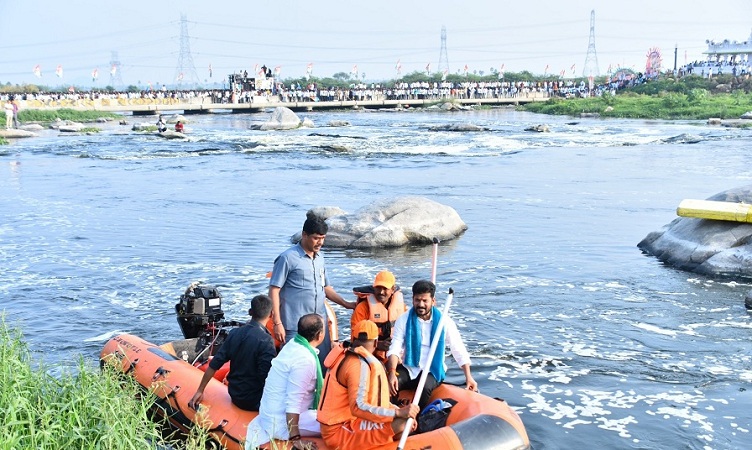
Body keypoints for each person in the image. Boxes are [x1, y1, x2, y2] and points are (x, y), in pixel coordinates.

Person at [317, 320, 419, 450]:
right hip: (339, 431)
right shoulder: (358, 364)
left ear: (353, 338)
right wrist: (398, 412)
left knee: (406, 421)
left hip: (345, 422)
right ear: (376, 343)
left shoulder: (344, 355)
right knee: (404, 424)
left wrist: (396, 410)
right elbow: (358, 407)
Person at [269, 216, 355, 366]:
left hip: (318, 326)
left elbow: (326, 288)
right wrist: (277, 323)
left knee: (322, 366)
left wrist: (346, 304)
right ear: (304, 235)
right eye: (316, 238)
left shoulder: (320, 258)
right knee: (293, 367)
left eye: (322, 238)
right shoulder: (287, 258)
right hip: (294, 327)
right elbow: (274, 290)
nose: (320, 242)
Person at [386, 280, 477, 410]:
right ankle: (392, 414)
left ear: (433, 301)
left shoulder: (445, 322)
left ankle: (416, 421)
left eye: (425, 301)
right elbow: (395, 348)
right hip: (409, 367)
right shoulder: (404, 319)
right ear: (412, 299)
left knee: (424, 387)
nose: (420, 304)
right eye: (417, 300)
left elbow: (458, 349)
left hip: (432, 370)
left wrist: (469, 377)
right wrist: (392, 373)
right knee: (388, 384)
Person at [246, 313, 325, 450]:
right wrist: (296, 439)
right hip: (281, 423)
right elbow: (293, 402)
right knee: (340, 425)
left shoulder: (293, 344)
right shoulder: (305, 360)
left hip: (271, 414)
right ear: (319, 335)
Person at [188, 294, 276, 412]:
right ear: (271, 314)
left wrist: (200, 390)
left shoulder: (235, 333)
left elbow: (214, 364)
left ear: (250, 312)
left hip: (235, 394)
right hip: (254, 400)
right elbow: (266, 377)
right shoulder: (267, 341)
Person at [350, 270, 407, 363]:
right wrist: (377, 345)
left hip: (395, 357)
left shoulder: (401, 307)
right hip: (370, 358)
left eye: (385, 288)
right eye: (378, 288)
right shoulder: (362, 308)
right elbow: (354, 340)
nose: (381, 292)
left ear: (393, 289)